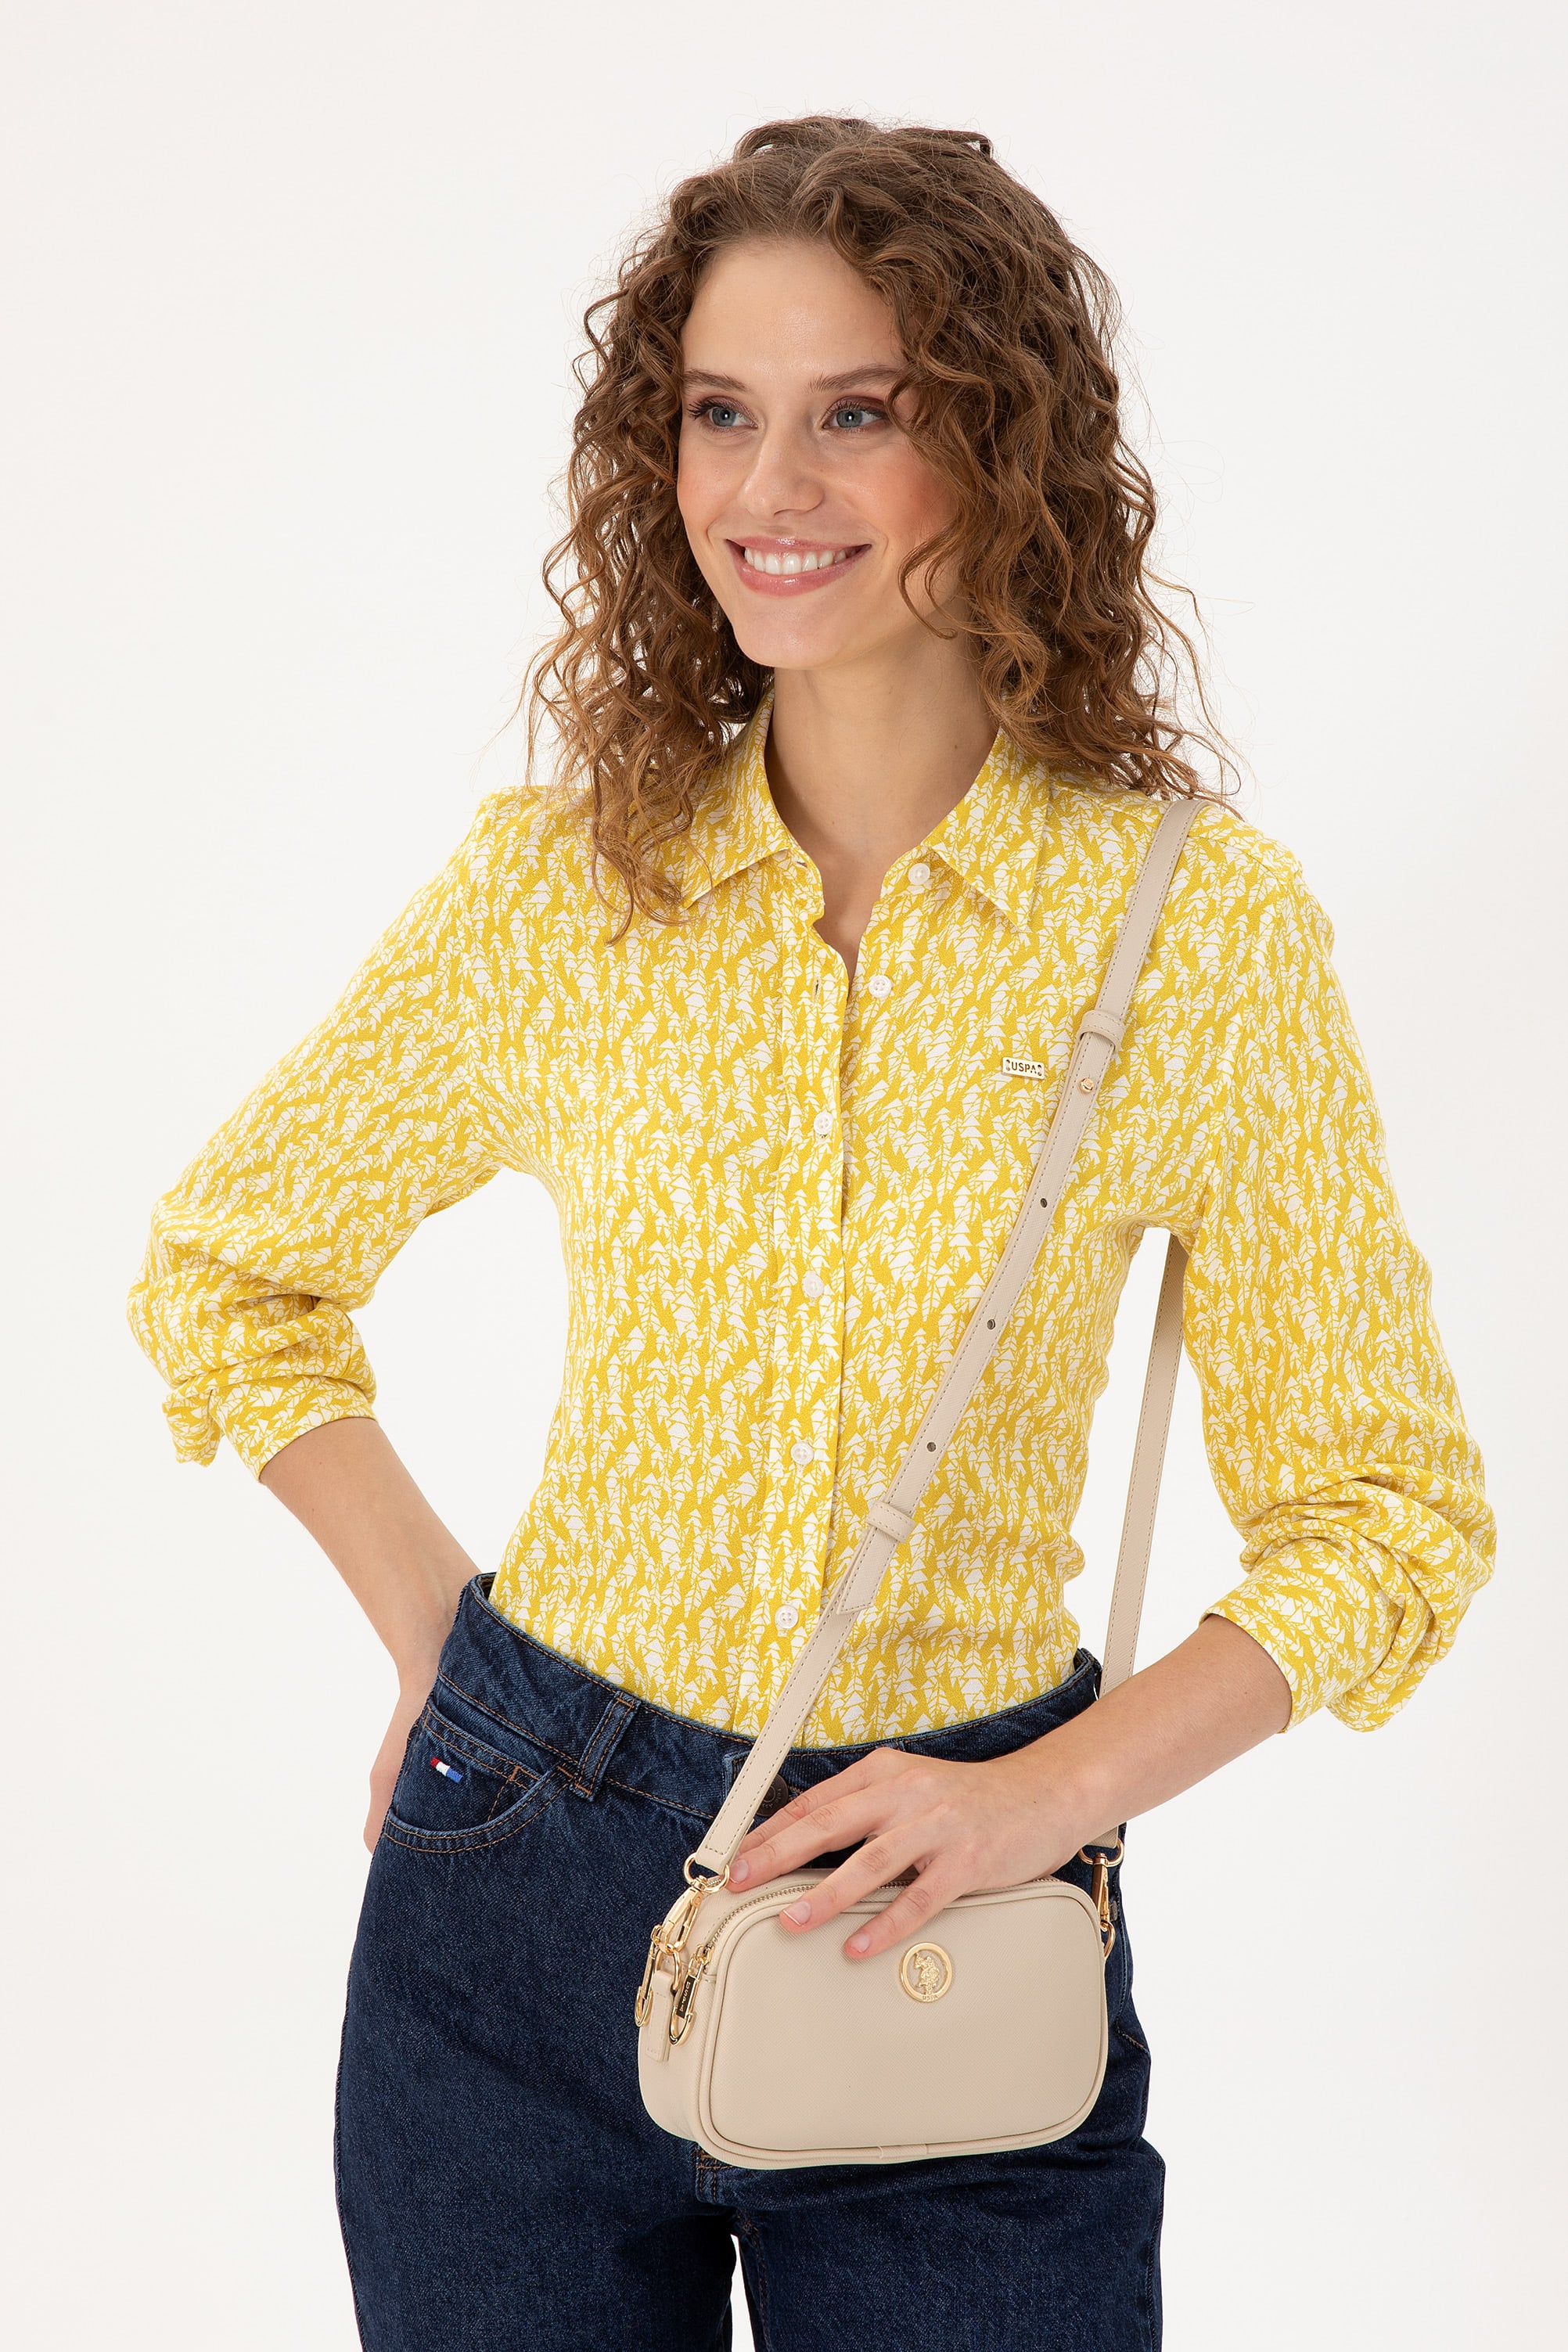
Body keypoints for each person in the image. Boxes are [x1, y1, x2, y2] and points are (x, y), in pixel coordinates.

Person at [128, 116, 1494, 2352]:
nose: (770, 485)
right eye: (718, 411)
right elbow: (228, 1267)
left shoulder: (1191, 934)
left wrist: (1042, 1801)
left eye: (861, 410)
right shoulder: (560, 890)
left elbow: (1387, 1514)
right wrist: (443, 1648)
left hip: (953, 1923)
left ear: (1006, 448)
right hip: (507, 1905)